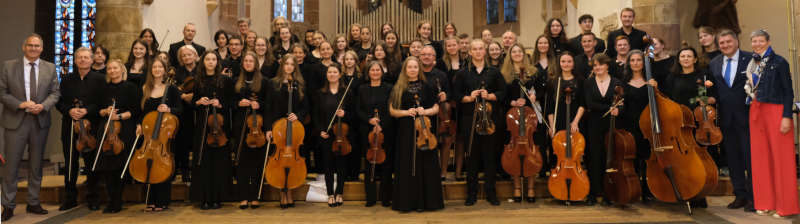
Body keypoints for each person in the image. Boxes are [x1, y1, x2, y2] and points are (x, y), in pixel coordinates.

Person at [1, 34, 59, 221]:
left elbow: (55, 92)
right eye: (30, 45)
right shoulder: (9, 66)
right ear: (24, 47)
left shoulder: (50, 68)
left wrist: (43, 106)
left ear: (41, 48)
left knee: (36, 165)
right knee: (11, 165)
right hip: (15, 120)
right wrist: (21, 104)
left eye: (37, 46)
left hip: (39, 121)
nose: (33, 48)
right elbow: (2, 92)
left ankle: (33, 202)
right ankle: (8, 205)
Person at [745, 30, 798, 218]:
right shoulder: (751, 63)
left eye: (761, 41)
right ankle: (765, 202)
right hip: (756, 110)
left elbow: (788, 92)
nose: (757, 44)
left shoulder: (780, 62)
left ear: (768, 41)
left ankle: (786, 206)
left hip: (776, 111)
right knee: (760, 159)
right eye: (754, 41)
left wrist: (786, 117)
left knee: (781, 159)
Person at [454, 40, 507, 206]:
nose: (478, 52)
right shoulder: (463, 73)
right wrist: (468, 97)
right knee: (472, 157)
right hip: (470, 118)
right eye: (474, 49)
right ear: (470, 52)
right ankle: (472, 193)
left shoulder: (494, 72)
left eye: (480, 49)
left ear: (485, 51)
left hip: (490, 119)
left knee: (490, 156)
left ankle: (491, 193)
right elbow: (456, 94)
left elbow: (503, 92)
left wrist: (490, 96)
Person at [708, 29, 754, 212]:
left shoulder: (750, 59)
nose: (725, 45)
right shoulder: (714, 63)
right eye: (722, 43)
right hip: (726, 120)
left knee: (750, 159)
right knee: (733, 160)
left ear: (736, 41)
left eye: (728, 41)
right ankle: (740, 195)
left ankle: (753, 198)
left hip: (747, 118)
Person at [390, 56, 443, 212]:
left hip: (424, 130)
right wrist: (406, 112)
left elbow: (436, 108)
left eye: (415, 67)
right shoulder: (398, 87)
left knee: (426, 164)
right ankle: (407, 203)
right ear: (405, 70)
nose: (412, 69)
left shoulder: (428, 86)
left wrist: (424, 111)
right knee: (407, 165)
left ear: (419, 69)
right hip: (406, 130)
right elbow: (392, 111)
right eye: (409, 67)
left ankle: (426, 203)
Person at [55, 47, 105, 211]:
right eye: (80, 58)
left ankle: (93, 197)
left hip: (91, 127)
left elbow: (102, 103)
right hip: (70, 125)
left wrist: (87, 110)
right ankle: (70, 198)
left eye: (86, 57)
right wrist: (69, 110)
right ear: (75, 61)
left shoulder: (100, 79)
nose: (83, 60)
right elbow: (59, 102)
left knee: (91, 163)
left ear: (92, 60)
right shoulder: (67, 79)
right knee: (70, 162)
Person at [501, 43, 547, 202]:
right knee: (515, 151)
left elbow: (542, 90)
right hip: (513, 117)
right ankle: (516, 188)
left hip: (530, 117)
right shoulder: (505, 74)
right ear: (510, 54)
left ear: (524, 54)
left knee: (530, 152)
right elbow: (502, 95)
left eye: (520, 51)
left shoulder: (533, 72)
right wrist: (512, 102)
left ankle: (531, 188)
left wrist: (536, 97)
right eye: (513, 51)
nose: (517, 53)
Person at [95, 59, 141, 213]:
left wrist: (119, 117)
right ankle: (111, 199)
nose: (112, 71)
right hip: (106, 129)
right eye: (109, 68)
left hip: (125, 129)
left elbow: (135, 111)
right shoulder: (103, 88)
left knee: (120, 165)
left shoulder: (131, 87)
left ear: (122, 70)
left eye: (115, 68)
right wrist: (105, 112)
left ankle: (118, 200)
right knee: (108, 165)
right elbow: (98, 110)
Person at [135, 58, 182, 212]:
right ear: (151, 71)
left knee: (162, 165)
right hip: (149, 133)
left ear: (164, 70)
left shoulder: (172, 89)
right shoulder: (145, 89)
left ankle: (162, 201)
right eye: (154, 67)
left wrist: (169, 110)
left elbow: (180, 109)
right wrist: (138, 125)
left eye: (159, 67)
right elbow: (140, 112)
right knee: (148, 163)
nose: (156, 69)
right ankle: (150, 200)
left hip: (164, 133)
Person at [265, 54, 309, 209]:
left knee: (291, 158)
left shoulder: (300, 84)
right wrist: (268, 128)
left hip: (294, 126)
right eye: (287, 63)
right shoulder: (273, 84)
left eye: (292, 64)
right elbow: (268, 107)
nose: (289, 66)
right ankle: (282, 192)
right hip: (278, 129)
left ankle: (288, 191)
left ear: (295, 67)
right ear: (282, 65)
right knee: (279, 159)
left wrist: (298, 115)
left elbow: (306, 107)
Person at [582, 53, 622, 205]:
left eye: (600, 64)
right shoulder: (589, 82)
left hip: (611, 125)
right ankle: (593, 193)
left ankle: (608, 193)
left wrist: (619, 110)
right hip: (593, 124)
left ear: (607, 66)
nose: (597, 67)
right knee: (594, 158)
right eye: (595, 65)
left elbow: (622, 103)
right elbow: (589, 103)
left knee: (609, 158)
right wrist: (609, 107)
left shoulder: (617, 83)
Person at [233, 52, 268, 209]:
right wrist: (238, 104)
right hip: (241, 127)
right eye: (245, 61)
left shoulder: (264, 82)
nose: (248, 63)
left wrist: (259, 104)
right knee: (242, 163)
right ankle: (243, 196)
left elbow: (270, 104)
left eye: (251, 61)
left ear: (256, 63)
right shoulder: (236, 82)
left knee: (256, 163)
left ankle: (254, 196)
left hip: (258, 128)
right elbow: (229, 103)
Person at [619, 50, 655, 203]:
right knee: (631, 160)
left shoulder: (651, 82)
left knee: (647, 158)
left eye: (639, 60)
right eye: (632, 60)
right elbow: (621, 107)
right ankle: (634, 189)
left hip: (647, 126)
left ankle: (648, 190)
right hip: (630, 125)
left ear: (643, 62)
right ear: (629, 63)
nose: (635, 63)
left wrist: (656, 88)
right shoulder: (623, 84)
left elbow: (659, 103)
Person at [314, 64, 351, 207]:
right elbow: (316, 115)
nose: (332, 74)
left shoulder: (346, 92)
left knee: (342, 165)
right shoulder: (320, 93)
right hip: (327, 135)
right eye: (330, 72)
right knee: (328, 165)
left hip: (342, 135)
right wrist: (320, 131)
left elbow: (354, 114)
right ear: (326, 75)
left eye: (335, 72)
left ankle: (339, 193)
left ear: (339, 75)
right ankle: (330, 194)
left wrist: (345, 114)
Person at [358, 61, 394, 207]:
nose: (375, 72)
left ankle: (386, 198)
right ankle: (370, 198)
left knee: (386, 165)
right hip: (367, 131)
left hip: (386, 129)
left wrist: (381, 125)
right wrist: (369, 120)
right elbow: (358, 109)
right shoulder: (362, 89)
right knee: (369, 164)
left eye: (377, 70)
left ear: (382, 72)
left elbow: (391, 109)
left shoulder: (389, 88)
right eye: (372, 70)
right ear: (368, 73)